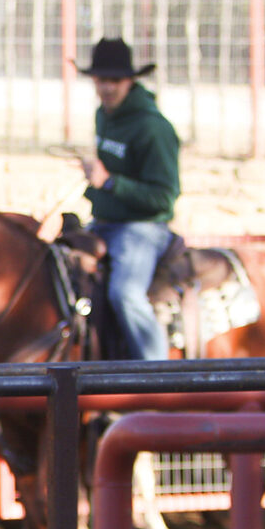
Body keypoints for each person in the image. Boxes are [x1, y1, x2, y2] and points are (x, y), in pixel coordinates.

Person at [77, 37, 181, 363]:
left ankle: (157, 376)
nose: (107, 88)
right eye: (100, 80)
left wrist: (109, 182)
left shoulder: (153, 128)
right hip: (104, 223)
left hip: (143, 229)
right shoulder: (103, 116)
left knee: (126, 294)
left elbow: (164, 197)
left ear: (131, 80)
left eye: (114, 81)